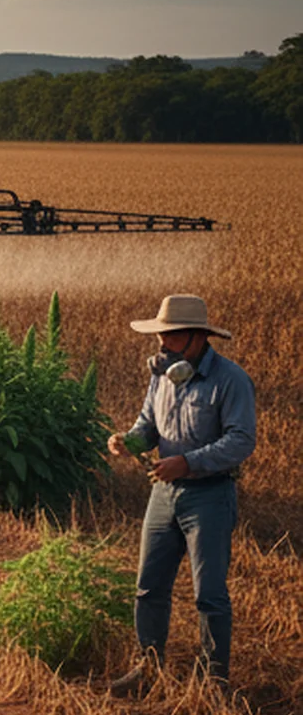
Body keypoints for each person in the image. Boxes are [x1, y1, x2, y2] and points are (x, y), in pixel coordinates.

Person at [105, 295, 256, 693]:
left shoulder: (231, 379)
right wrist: (128, 442)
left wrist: (187, 462)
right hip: (163, 494)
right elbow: (147, 427)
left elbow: (241, 441)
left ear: (197, 338)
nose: (161, 344)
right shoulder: (161, 376)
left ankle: (213, 683)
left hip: (209, 495)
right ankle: (148, 671)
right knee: (148, 587)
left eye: (170, 336)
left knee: (209, 595)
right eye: (161, 335)